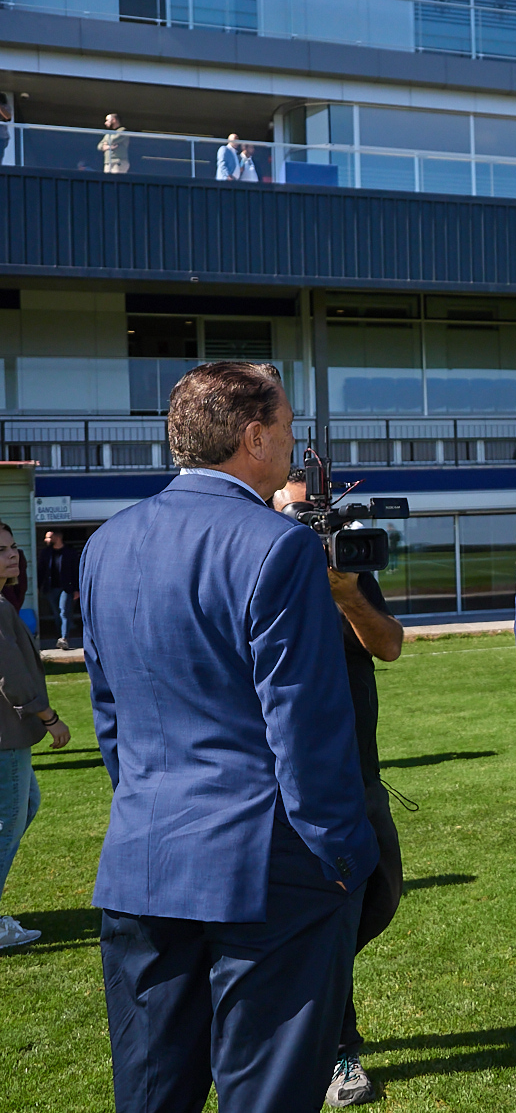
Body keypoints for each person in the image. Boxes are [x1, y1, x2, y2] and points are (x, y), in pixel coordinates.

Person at [83, 361, 376, 1113]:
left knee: (150, 1096)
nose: (292, 443)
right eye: (286, 428)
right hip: (265, 872)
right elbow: (307, 728)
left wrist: (150, 808)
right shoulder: (277, 547)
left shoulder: (106, 545)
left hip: (145, 858)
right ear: (253, 437)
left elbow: (110, 714)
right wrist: (345, 854)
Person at [271, 472, 406, 1109]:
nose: (310, 526)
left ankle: (295, 989)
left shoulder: (342, 566)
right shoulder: (262, 564)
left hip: (358, 764)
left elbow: (390, 646)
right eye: (298, 513)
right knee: (327, 913)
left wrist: (347, 595)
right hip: (295, 774)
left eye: (318, 514)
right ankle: (334, 1049)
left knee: (380, 895)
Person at [0, 520, 70, 951]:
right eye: (1, 549)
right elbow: (11, 675)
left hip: (9, 735)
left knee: (27, 803)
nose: (12, 555)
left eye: (11, 547)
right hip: (7, 735)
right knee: (7, 824)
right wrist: (48, 716)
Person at [36, 529, 78, 650]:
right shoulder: (46, 553)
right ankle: (60, 636)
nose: (45, 540)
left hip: (66, 588)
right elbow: (41, 571)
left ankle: (64, 638)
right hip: (51, 588)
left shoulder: (69, 552)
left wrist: (76, 589)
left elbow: (75, 571)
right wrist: (38, 587)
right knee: (56, 613)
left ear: (57, 537)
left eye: (48, 537)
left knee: (64, 611)